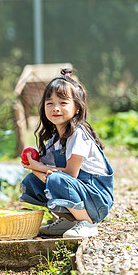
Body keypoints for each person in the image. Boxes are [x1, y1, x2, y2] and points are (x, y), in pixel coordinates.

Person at [19, 68, 114, 238]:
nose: (56, 108)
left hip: (96, 199)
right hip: (81, 191)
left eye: (63, 103)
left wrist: (38, 166)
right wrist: (34, 167)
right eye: (50, 103)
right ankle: (68, 220)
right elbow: (44, 171)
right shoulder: (55, 140)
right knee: (32, 182)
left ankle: (88, 223)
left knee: (56, 179)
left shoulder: (78, 133)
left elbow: (71, 173)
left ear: (77, 107)